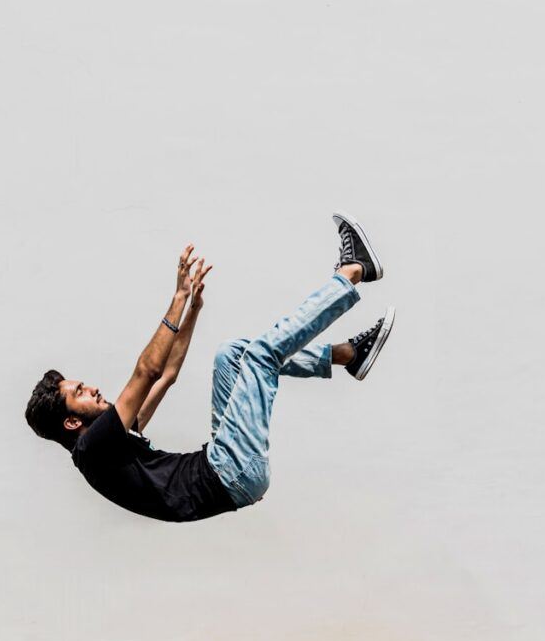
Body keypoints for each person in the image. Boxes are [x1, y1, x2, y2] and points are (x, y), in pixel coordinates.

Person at [25, 213, 395, 523]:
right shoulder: (93, 448)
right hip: (227, 471)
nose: (91, 389)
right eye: (80, 393)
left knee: (231, 354)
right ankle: (352, 271)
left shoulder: (111, 447)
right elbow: (146, 372)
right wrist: (178, 299)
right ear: (72, 422)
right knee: (261, 354)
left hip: (224, 464)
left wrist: (193, 311)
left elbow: (167, 376)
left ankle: (348, 355)